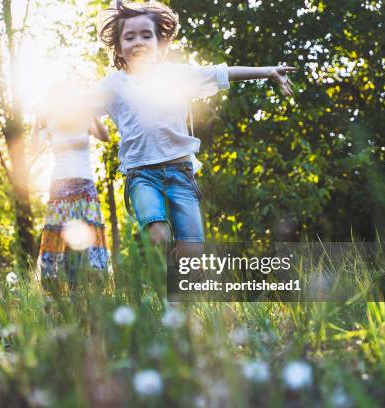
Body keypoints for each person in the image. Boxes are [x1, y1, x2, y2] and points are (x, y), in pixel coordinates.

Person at [93, 1, 296, 258]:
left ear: (161, 45)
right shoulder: (113, 85)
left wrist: (268, 72)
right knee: (158, 235)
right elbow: (75, 104)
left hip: (181, 172)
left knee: (192, 252)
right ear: (119, 49)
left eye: (147, 35)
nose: (138, 42)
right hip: (141, 174)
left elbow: (220, 73)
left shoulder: (177, 75)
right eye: (129, 37)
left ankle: (174, 290)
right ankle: (163, 277)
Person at [32, 82, 110, 285]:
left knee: (90, 236)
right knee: (61, 237)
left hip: (85, 185)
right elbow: (33, 149)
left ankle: (95, 285)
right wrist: (36, 120)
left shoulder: (84, 121)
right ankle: (60, 288)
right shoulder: (50, 125)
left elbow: (105, 137)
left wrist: (91, 113)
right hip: (60, 187)